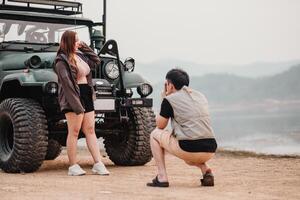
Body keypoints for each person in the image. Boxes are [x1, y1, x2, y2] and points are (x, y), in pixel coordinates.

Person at [147, 68, 217, 187]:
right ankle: (205, 170)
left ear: (170, 85)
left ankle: (162, 177)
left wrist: (164, 98)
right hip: (211, 148)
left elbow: (160, 125)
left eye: (166, 83)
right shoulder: (200, 96)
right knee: (189, 155)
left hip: (189, 148)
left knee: (154, 134)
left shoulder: (169, 100)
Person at [54, 30, 109, 176]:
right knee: (74, 131)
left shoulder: (80, 56)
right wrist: (77, 106)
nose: (79, 42)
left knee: (90, 130)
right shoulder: (61, 61)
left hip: (86, 94)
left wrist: (84, 46)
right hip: (73, 97)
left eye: (79, 40)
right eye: (77, 40)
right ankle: (73, 166)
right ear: (69, 42)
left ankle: (98, 163)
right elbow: (67, 85)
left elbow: (96, 61)